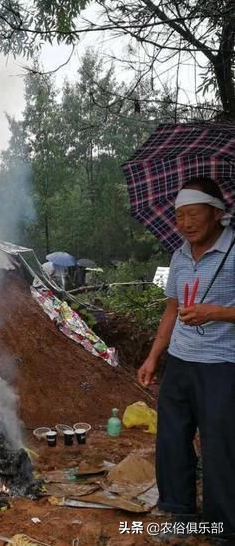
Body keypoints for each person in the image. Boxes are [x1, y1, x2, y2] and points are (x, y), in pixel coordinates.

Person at [138, 177, 235, 542]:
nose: (185, 224)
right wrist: (152, 358)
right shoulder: (179, 255)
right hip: (179, 361)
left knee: (220, 444)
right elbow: (171, 310)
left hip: (223, 365)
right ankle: (180, 512)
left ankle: (223, 527)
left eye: (193, 215)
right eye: (180, 217)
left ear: (216, 213)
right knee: (172, 439)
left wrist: (217, 312)